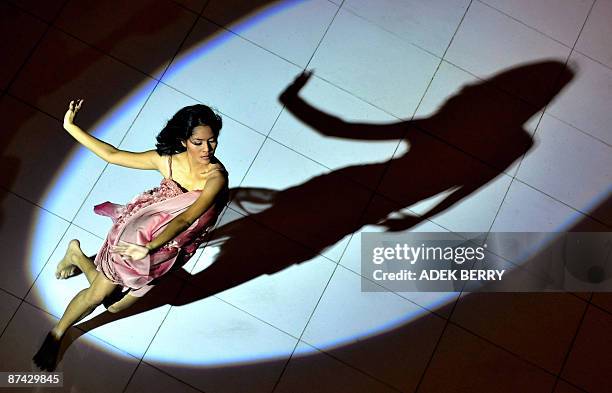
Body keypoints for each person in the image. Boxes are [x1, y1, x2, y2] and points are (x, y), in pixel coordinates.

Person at [33, 100, 229, 371]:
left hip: (168, 250)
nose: (207, 149)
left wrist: (152, 249)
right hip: (140, 238)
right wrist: (70, 126)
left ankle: (77, 254)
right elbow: (112, 155)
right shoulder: (167, 161)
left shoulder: (216, 177)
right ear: (184, 140)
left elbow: (187, 218)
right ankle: (56, 333)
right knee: (97, 296)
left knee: (113, 306)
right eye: (198, 142)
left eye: (212, 141)